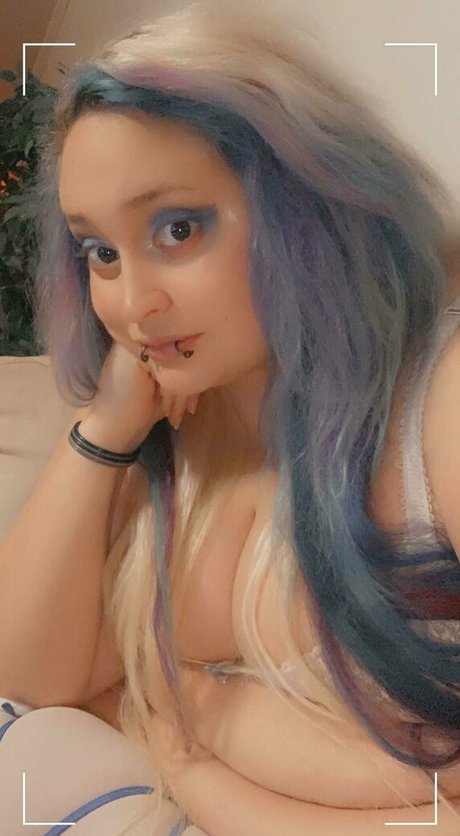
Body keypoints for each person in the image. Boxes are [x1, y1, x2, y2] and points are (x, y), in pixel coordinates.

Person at [1, 1, 460, 833]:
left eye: (177, 229)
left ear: (307, 205)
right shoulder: (168, 427)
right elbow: (32, 677)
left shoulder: (439, 401)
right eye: (100, 251)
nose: (132, 304)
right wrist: (103, 431)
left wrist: (198, 760)